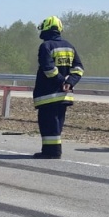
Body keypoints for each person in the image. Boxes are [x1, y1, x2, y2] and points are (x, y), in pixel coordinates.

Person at [32, 16, 84, 159]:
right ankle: (51, 150)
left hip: (49, 94)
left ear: (47, 28)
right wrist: (70, 82)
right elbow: (78, 68)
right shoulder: (69, 46)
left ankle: (51, 152)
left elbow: (48, 68)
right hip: (64, 95)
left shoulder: (46, 46)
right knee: (56, 124)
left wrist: (61, 81)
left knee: (48, 124)